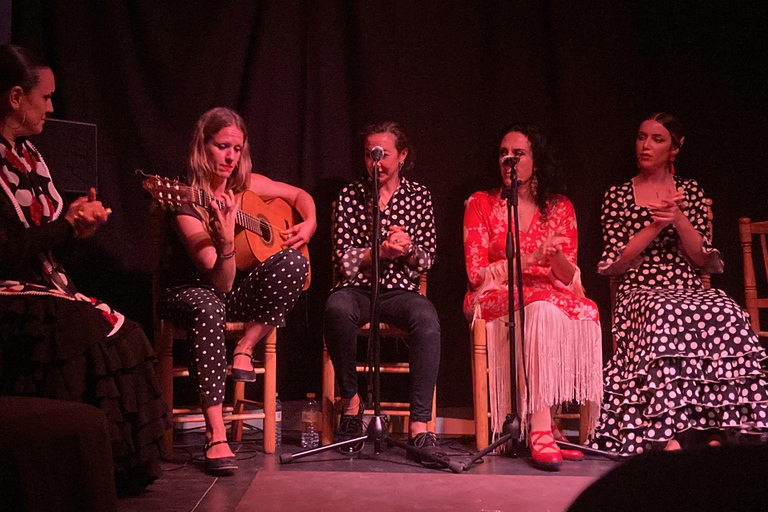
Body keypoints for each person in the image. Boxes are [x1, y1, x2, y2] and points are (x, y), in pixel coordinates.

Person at [0, 44, 169, 493]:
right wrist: (66, 228)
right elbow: (8, 251)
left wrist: (79, 230)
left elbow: (49, 249)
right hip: (9, 292)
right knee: (77, 327)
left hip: (43, 285)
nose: (52, 107)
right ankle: (61, 475)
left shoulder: (31, 158)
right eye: (46, 97)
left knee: (126, 331)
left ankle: (109, 473)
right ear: (16, 97)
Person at [589, 112, 768, 455]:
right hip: (639, 289)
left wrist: (679, 217)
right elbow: (617, 259)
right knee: (665, 311)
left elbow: (703, 259)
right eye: (642, 137)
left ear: (674, 148)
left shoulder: (692, 192)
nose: (646, 145)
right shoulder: (618, 195)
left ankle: (719, 426)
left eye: (657, 139)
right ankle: (664, 431)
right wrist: (656, 225)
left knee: (726, 310)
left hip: (686, 286)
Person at [158, 107, 313, 474]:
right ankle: (216, 433)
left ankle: (245, 347)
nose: (231, 157)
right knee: (210, 305)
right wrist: (227, 241)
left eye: (237, 148)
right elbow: (220, 282)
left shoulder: (247, 187)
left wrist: (309, 223)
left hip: (233, 297)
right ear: (203, 146)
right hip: (191, 291)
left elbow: (300, 194)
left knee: (296, 262)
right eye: (222, 146)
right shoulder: (184, 201)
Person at [463, 123, 603, 471]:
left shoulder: (560, 207)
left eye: (518, 154)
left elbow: (570, 277)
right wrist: (530, 259)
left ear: (535, 161)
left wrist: (553, 255)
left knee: (585, 308)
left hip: (545, 292)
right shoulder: (481, 204)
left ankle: (553, 422)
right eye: (503, 154)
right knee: (539, 309)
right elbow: (475, 275)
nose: (508, 160)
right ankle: (541, 429)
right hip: (492, 298)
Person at [323, 121, 441, 464]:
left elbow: (427, 259)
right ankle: (353, 404)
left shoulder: (419, 197)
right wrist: (376, 252)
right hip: (357, 289)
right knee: (336, 308)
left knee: (426, 319)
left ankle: (420, 425)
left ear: (402, 156)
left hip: (399, 291)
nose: (376, 162)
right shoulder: (350, 195)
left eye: (383, 154)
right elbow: (342, 259)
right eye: (369, 154)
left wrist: (405, 249)